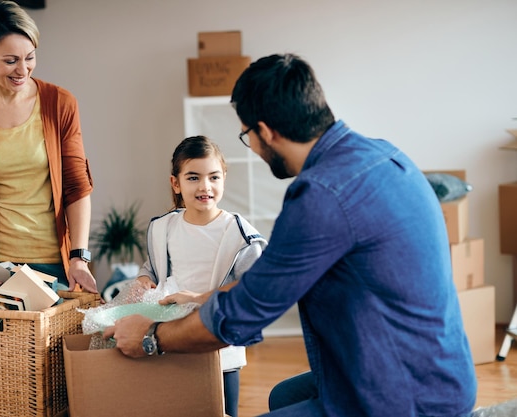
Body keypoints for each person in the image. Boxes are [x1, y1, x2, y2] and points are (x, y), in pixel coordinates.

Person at [104, 53, 477, 416]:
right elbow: (266, 281)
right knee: (284, 395)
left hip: (407, 398)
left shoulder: (321, 196)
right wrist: (195, 299)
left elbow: (243, 316)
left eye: (248, 136)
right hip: (438, 372)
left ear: (265, 131)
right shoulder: (381, 154)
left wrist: (151, 336)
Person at [0, 0, 98, 298]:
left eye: (30, 57)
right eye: (10, 61)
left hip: (55, 266)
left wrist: (79, 256)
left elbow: (77, 186)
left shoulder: (60, 104)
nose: (23, 70)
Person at [134, 135, 267, 417]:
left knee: (221, 411)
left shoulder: (238, 235)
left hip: (219, 346)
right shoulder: (164, 227)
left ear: (224, 179)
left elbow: (251, 290)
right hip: (173, 339)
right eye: (193, 178)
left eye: (214, 177)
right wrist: (145, 278)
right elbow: (152, 267)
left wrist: (197, 298)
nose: (205, 187)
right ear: (176, 183)